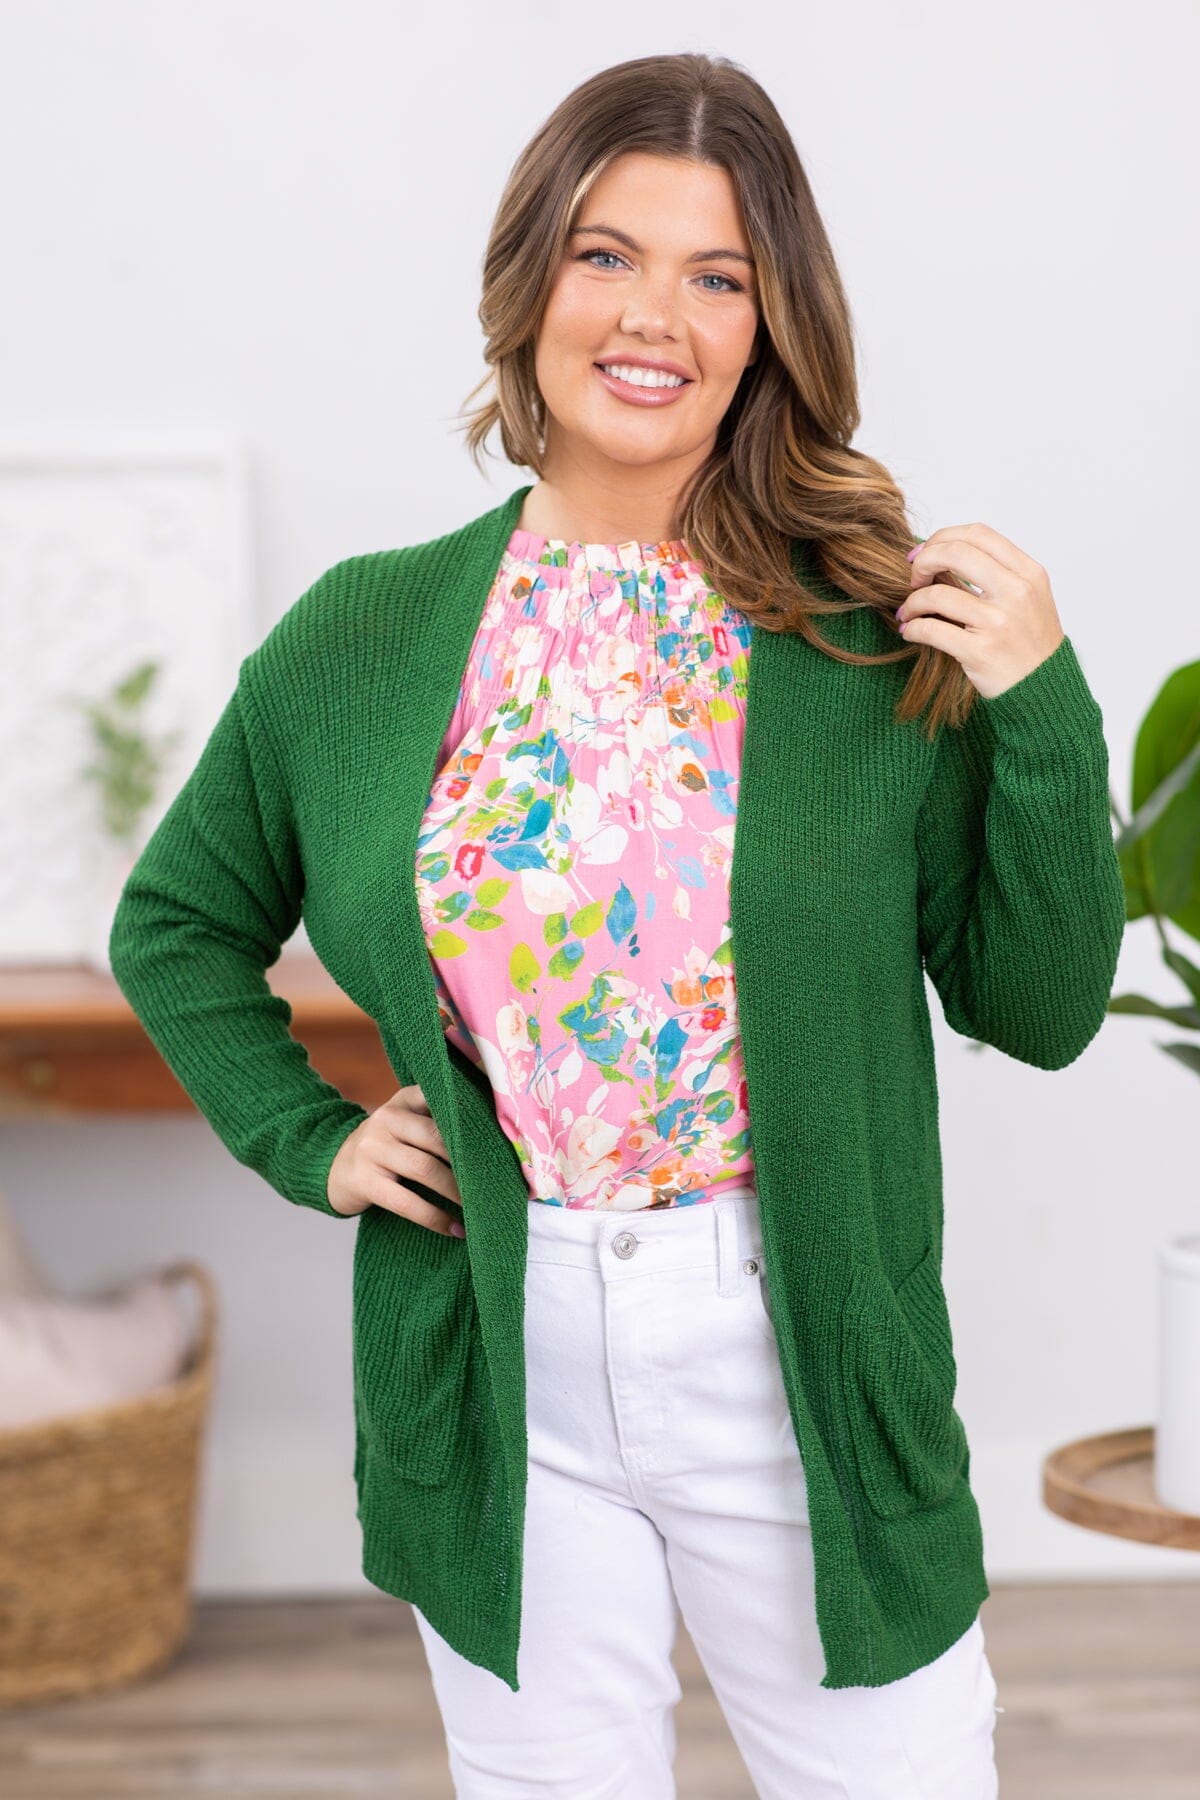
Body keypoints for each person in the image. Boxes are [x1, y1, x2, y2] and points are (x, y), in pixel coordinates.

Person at [109, 51, 1126, 1800]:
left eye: (718, 275)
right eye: (607, 255)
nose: (656, 315)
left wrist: (1038, 704)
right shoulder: (366, 634)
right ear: (531, 283)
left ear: (770, 324)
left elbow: (1039, 1009)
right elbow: (176, 923)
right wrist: (312, 1141)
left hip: (797, 1344)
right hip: (496, 1339)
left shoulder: (867, 634)